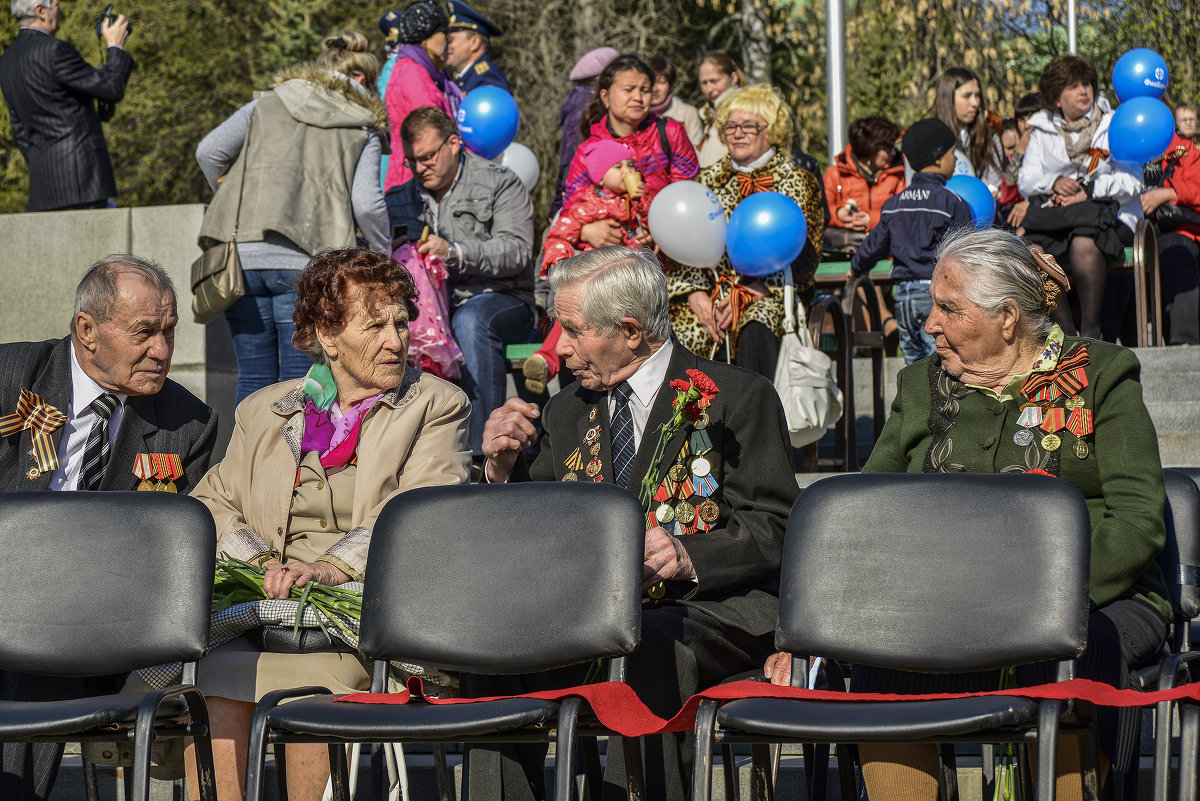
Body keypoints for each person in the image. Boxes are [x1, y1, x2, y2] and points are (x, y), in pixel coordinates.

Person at [768, 227, 1169, 801]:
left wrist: (1042, 600)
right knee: (884, 653)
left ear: (1007, 317)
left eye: (947, 308)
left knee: (1069, 646)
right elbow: (861, 515)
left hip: (1095, 596)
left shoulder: (1100, 375)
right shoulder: (921, 385)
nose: (929, 324)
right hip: (940, 604)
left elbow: (1137, 520)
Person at [479, 245, 798, 801]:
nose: (561, 349)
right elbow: (537, 530)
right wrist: (501, 471)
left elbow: (777, 527)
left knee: (646, 642)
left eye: (573, 331)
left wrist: (686, 554)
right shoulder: (566, 410)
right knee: (490, 645)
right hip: (590, 613)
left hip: (708, 610)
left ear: (630, 331)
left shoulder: (737, 398)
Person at [183, 247, 471, 801]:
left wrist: (335, 566)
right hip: (255, 615)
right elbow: (210, 503)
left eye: (401, 323)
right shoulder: (266, 409)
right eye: (375, 326)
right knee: (210, 684)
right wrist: (258, 561)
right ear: (327, 334)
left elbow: (422, 509)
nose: (396, 340)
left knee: (304, 690)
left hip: (360, 622)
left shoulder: (436, 403)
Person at [0, 255, 218, 801]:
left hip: (95, 620)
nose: (163, 352)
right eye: (144, 333)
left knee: (39, 651)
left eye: (169, 333)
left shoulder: (187, 423)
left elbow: (173, 556)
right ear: (87, 331)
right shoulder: (11, 380)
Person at [196, 32, 390, 405]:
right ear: (363, 80)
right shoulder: (362, 126)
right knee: (300, 382)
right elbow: (366, 204)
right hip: (306, 265)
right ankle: (292, 465)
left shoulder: (267, 103)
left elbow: (209, 152)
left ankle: (245, 463)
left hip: (242, 261)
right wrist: (383, 256)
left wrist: (234, 197)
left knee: (252, 378)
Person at [401, 105, 535, 452]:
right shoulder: (400, 198)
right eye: (412, 160)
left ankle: (482, 454)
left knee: (472, 320)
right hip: (429, 312)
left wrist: (455, 252)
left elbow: (517, 251)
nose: (420, 168)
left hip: (503, 300)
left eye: (428, 156)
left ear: (455, 143)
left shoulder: (499, 182)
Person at [669, 84, 825, 378]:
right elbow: (682, 251)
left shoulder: (797, 180)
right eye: (731, 126)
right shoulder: (705, 182)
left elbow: (807, 255)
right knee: (680, 330)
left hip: (773, 292)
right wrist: (695, 295)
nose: (738, 133)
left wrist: (754, 291)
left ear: (772, 131)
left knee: (757, 324)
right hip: (711, 291)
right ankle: (688, 421)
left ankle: (757, 420)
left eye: (749, 126)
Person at [1018, 54, 1144, 340]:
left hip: (1113, 215)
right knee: (1035, 251)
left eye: (1086, 83)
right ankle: (1067, 335)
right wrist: (1055, 182)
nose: (1083, 91)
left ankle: (1091, 333)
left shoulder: (1114, 124)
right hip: (1061, 217)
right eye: (1073, 86)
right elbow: (1026, 180)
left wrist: (1088, 191)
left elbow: (1132, 182)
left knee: (1084, 244)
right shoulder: (1041, 128)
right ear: (1056, 97)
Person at [524, 141, 649, 393]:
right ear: (600, 178)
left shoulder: (636, 205)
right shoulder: (586, 205)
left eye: (630, 165)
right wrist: (560, 266)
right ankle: (546, 360)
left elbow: (651, 229)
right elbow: (559, 235)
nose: (627, 171)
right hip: (590, 281)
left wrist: (644, 210)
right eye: (618, 166)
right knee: (570, 320)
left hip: (625, 284)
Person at [851, 119, 972, 364]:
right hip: (935, 297)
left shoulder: (894, 204)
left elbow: (873, 246)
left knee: (913, 366)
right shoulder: (952, 203)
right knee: (941, 363)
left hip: (903, 296)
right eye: (952, 153)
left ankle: (913, 403)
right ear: (938, 158)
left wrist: (855, 268)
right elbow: (966, 253)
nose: (956, 160)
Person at [0, 0, 132, 211]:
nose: (60, 11)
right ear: (40, 11)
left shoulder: (7, 60)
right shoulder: (55, 50)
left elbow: (19, 131)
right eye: (55, 5)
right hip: (83, 181)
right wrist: (115, 47)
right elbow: (111, 88)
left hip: (43, 187)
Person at [563, 54, 698, 218]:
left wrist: (657, 229)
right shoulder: (589, 152)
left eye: (645, 90)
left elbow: (689, 196)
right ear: (605, 97)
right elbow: (572, 208)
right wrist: (589, 231)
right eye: (628, 90)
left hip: (669, 236)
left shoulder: (671, 133)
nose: (638, 98)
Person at [382, 0, 462, 238]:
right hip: (414, 180)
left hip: (424, 176)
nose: (448, 41)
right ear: (427, 35)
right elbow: (430, 128)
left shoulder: (423, 70)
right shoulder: (412, 72)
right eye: (444, 33)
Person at [1142, 129, 1200, 344]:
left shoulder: (1184, 149)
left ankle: (1183, 343)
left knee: (1176, 252)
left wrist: (1170, 193)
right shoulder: (1116, 148)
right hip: (1127, 232)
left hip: (1177, 231)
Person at [551, 46, 619, 217]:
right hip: (582, 191)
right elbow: (571, 152)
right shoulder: (585, 104)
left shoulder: (579, 98)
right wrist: (560, 202)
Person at [822, 114, 905, 254]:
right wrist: (838, 215)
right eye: (888, 148)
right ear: (871, 148)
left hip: (888, 256)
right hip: (844, 253)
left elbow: (904, 214)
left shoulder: (897, 176)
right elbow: (821, 212)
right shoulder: (835, 174)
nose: (893, 152)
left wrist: (871, 220)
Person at [930, 67, 1003, 191]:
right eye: (967, 96)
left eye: (977, 95)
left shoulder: (989, 138)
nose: (975, 102)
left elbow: (993, 185)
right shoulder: (927, 139)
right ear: (948, 99)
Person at [445, 0, 510, 94]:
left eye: (451, 40)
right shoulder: (469, 77)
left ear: (475, 42)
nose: (447, 45)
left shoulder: (488, 78)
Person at [997, 93, 1041, 230]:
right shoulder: (1017, 154)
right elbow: (1006, 197)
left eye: (1032, 117)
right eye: (1022, 119)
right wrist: (1019, 155)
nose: (1027, 125)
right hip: (1016, 219)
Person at [695, 52, 745, 168]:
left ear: (733, 78)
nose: (709, 89)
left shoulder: (743, 110)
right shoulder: (713, 112)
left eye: (714, 81)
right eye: (704, 83)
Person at [647, 55, 703, 146]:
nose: (655, 88)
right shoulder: (634, 114)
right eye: (651, 82)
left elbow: (696, 153)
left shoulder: (687, 114)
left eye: (661, 82)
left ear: (670, 85)